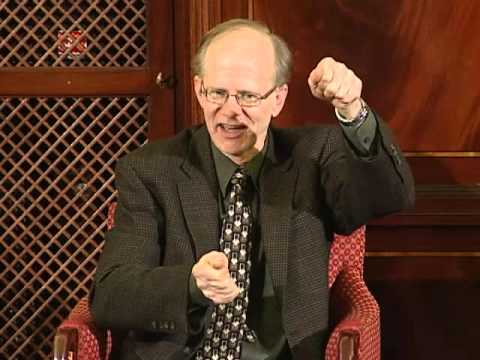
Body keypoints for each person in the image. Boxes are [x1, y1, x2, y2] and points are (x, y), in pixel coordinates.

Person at [91, 18, 414, 360]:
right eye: (217, 93)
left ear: (278, 98)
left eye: (247, 96)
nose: (230, 111)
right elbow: (111, 294)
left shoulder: (313, 157)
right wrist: (190, 285)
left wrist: (352, 110)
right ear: (199, 89)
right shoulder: (151, 170)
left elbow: (391, 196)